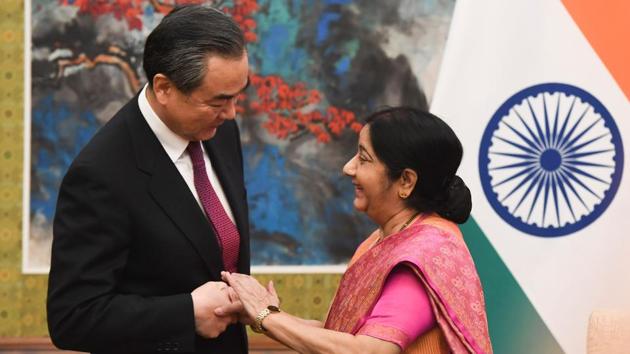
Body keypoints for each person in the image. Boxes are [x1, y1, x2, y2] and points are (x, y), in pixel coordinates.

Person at [47, 5, 251, 353]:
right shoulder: (99, 175)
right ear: (164, 88)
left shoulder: (219, 130)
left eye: (236, 97)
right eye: (219, 101)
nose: (232, 113)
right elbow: (73, 317)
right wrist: (185, 313)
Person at [218, 107, 493, 353]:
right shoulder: (383, 238)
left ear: (406, 181)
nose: (348, 168)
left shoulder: (424, 254)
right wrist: (264, 314)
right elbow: (342, 335)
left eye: (363, 158)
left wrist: (267, 316)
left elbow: (368, 350)